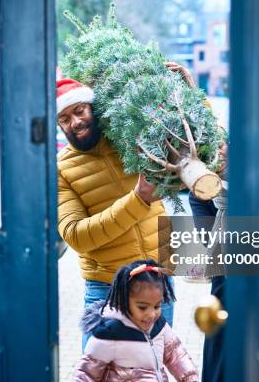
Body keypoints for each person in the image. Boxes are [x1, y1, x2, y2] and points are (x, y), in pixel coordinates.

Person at [56, 77, 174, 350]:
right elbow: (76, 235)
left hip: (158, 279)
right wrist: (138, 200)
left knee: (154, 369)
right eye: (64, 118)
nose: (74, 122)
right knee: (98, 373)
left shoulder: (130, 138)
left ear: (93, 109)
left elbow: (193, 139)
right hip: (106, 287)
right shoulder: (61, 169)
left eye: (79, 111)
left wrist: (188, 91)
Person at [73, 260, 199, 382]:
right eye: (142, 307)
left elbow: (176, 355)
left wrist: (190, 378)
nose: (151, 314)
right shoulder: (109, 334)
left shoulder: (160, 325)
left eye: (157, 306)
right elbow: (86, 374)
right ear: (124, 300)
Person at [189, 138, 228, 382]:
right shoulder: (202, 188)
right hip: (224, 273)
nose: (218, 152)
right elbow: (206, 234)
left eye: (221, 144)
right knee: (221, 343)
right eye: (209, 150)